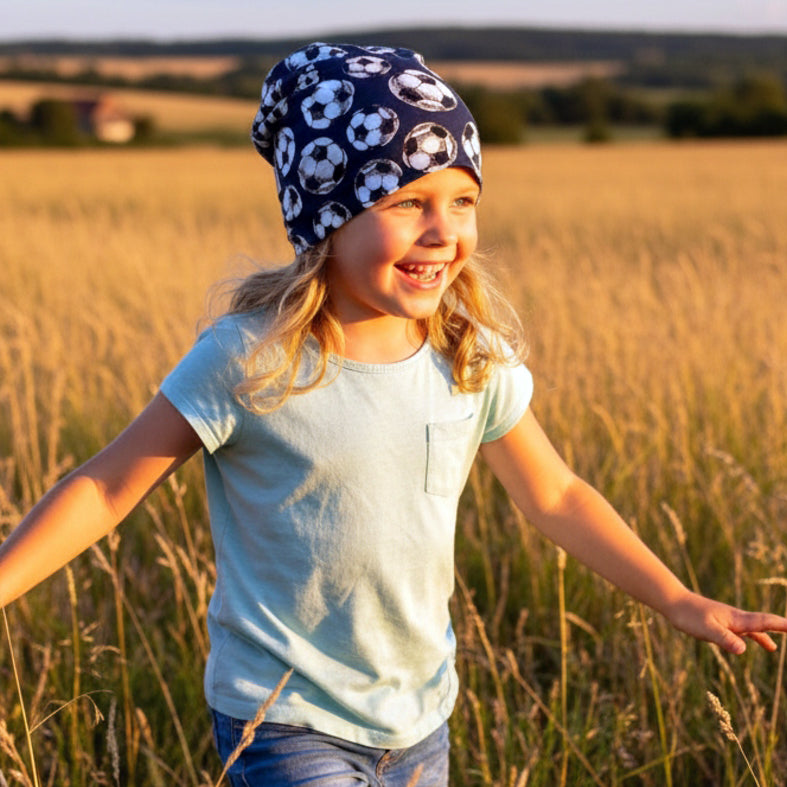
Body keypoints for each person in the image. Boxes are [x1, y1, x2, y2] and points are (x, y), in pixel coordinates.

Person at [1, 42, 785, 787]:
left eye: (462, 201)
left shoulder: (469, 358)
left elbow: (556, 495)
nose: (443, 232)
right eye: (407, 202)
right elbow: (104, 487)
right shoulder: (251, 359)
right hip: (284, 717)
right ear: (326, 216)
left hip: (418, 717)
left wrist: (676, 598)